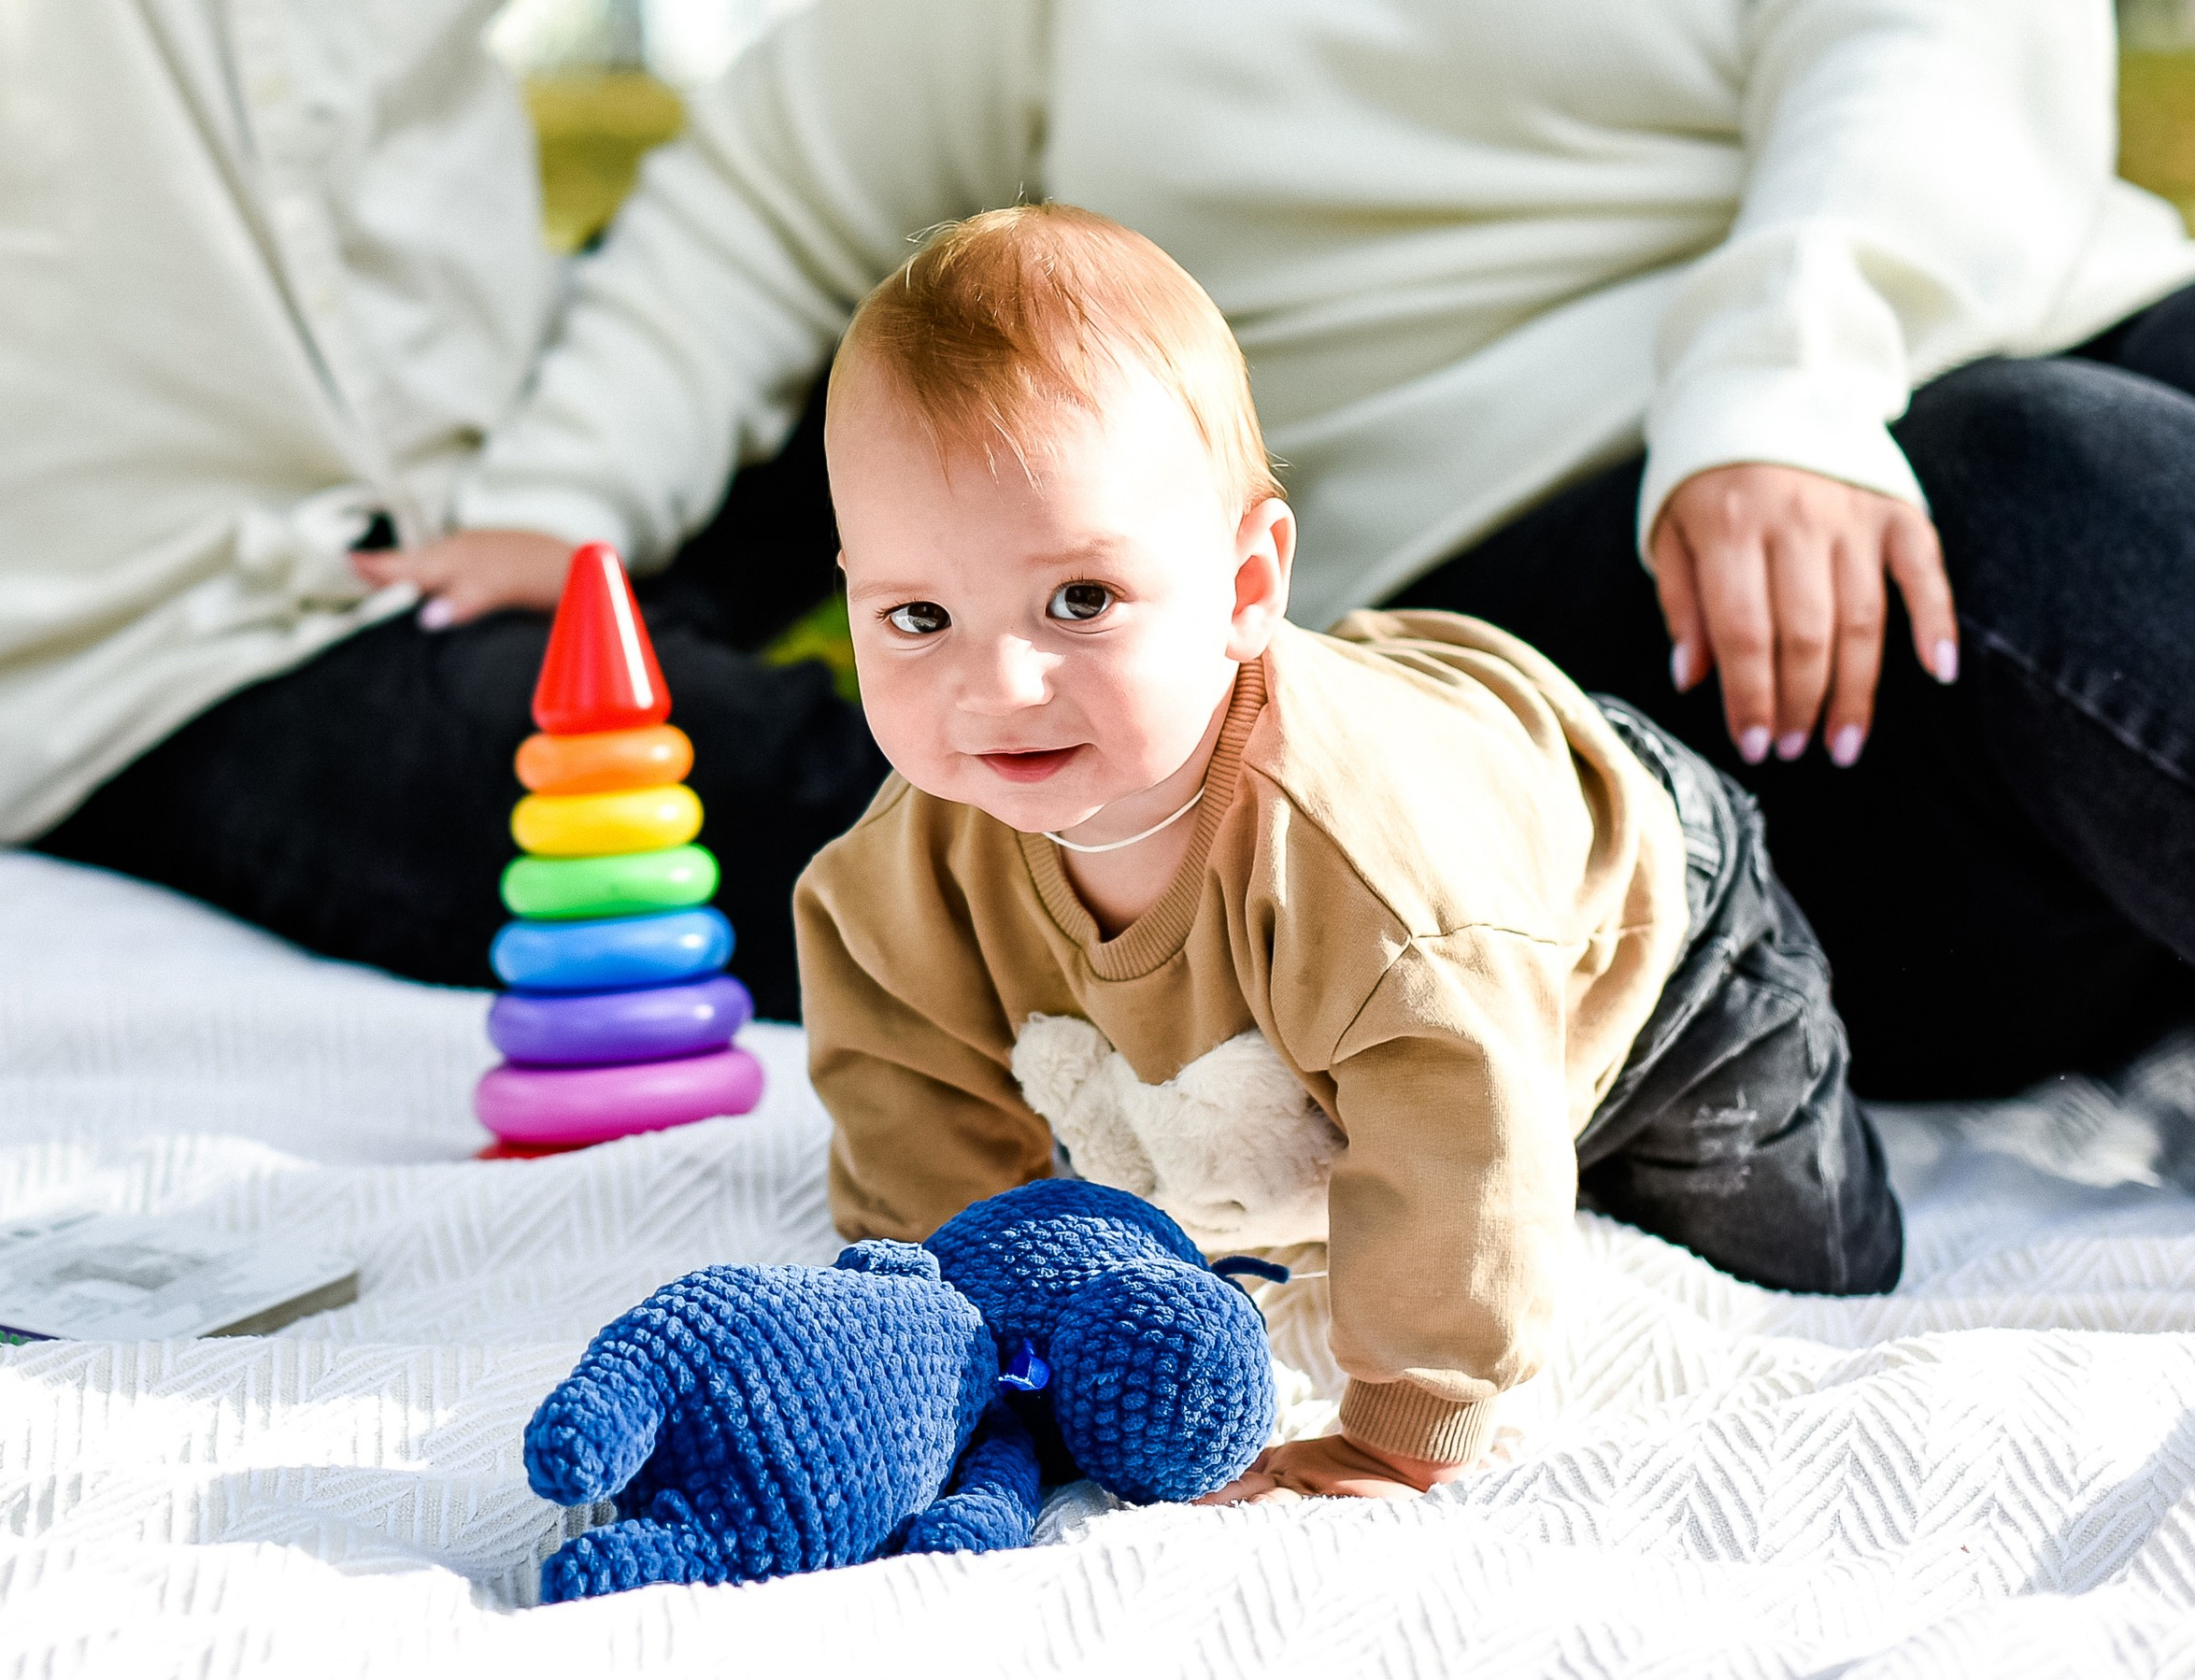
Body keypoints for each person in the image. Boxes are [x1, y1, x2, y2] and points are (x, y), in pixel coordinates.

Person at [372, 0, 2195, 1098]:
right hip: (1596, 628)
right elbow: (759, 211)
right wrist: (564, 511)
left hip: (1880, 353)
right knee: (2032, 479)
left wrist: (1774, 387)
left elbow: (1927, 55)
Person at [793, 205, 1902, 1503]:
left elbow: (1462, 1113)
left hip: (1649, 934)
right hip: (1427, 967)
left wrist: (1400, 1423)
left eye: (1079, 600)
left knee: (1804, 1253)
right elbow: (910, 1112)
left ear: (1248, 583)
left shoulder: (1362, 868)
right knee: (1400, 1121)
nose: (1000, 685)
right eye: (918, 615)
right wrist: (968, 1332)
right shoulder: (897, 879)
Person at [0, 2, 879, 1016]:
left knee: (967, 337)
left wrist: (563, 492)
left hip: (502, 441)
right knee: (839, 823)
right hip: (178, 635)